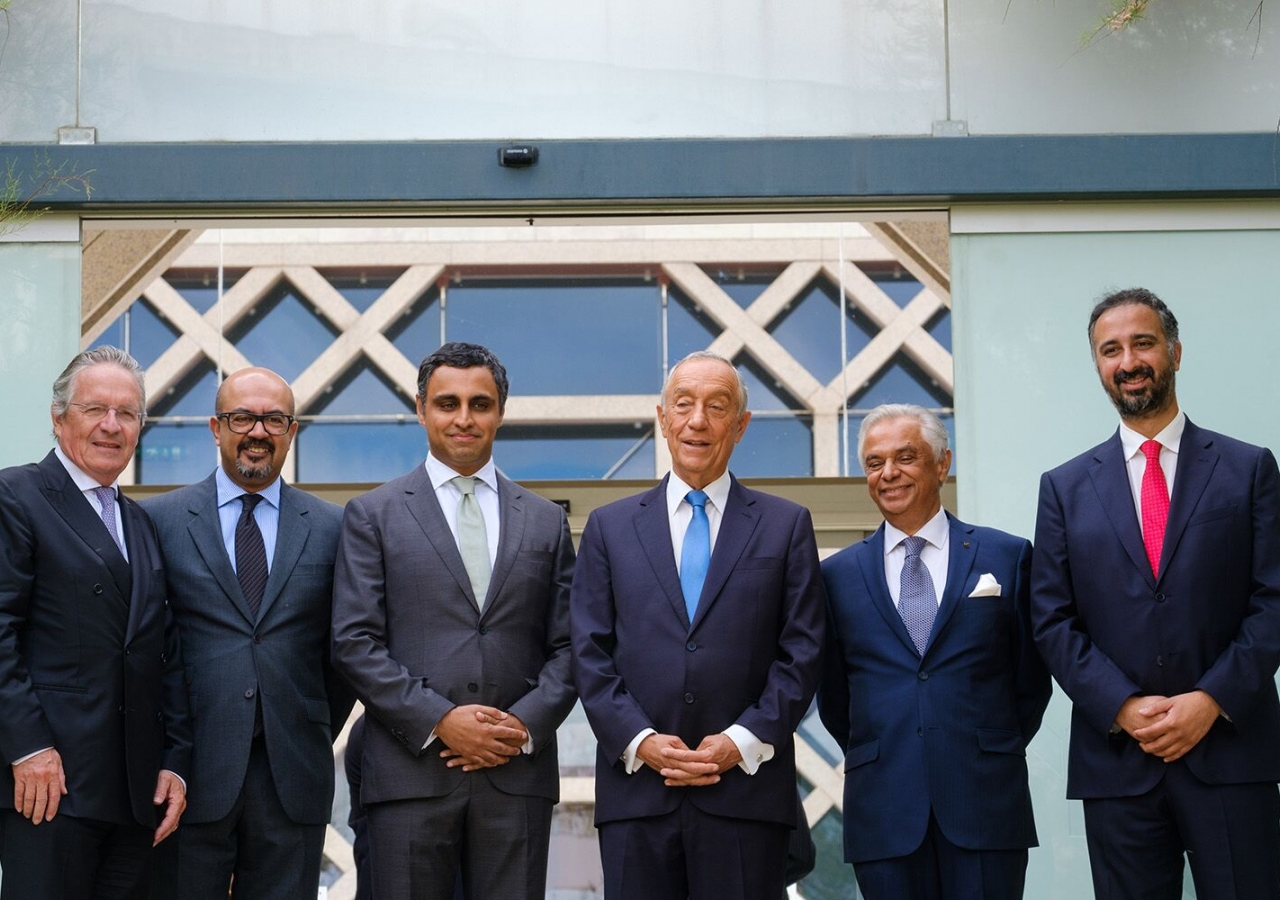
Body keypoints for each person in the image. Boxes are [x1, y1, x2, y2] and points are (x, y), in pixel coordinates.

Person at [1031, 287, 1280, 900]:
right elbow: (1051, 620)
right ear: (1098, 366)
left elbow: (1273, 599)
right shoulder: (1063, 488)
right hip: (1118, 762)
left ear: (1174, 351)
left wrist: (1209, 700)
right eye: (1109, 350)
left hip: (1231, 753)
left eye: (1142, 343)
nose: (1128, 361)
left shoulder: (1249, 470)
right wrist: (1120, 705)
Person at [571, 350, 826, 900]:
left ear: (741, 425)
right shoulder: (609, 528)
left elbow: (802, 652)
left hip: (746, 795)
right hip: (638, 791)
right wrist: (640, 740)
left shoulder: (786, 525)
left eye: (717, 407)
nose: (698, 421)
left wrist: (740, 740)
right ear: (662, 419)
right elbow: (588, 653)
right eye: (683, 405)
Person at [331, 341, 576, 900]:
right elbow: (354, 642)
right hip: (409, 777)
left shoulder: (544, 521)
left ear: (500, 412)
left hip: (516, 778)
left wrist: (522, 727)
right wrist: (441, 720)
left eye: (480, 403)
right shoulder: (372, 515)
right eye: (447, 403)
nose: (464, 418)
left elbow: (571, 646)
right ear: (421, 410)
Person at [818, 403, 1051, 899]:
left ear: (942, 464)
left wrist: (983, 746)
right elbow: (836, 698)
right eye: (875, 463)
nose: (889, 474)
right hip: (883, 812)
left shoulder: (1006, 557)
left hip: (986, 804)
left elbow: (1030, 681)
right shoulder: (835, 577)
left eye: (906, 457)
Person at [142, 367, 353, 900]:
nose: (258, 431)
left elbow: (343, 654)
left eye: (273, 419)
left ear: (292, 431)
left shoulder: (334, 528)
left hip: (294, 775)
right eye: (242, 418)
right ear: (216, 427)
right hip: (188, 774)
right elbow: (145, 648)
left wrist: (303, 722)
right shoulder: (157, 521)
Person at [0, 347, 192, 900]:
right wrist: (27, 748)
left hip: (136, 799)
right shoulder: (16, 496)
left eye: (127, 413)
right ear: (59, 418)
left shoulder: (140, 522)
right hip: (49, 789)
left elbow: (166, 652)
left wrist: (176, 764)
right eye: (95, 409)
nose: (112, 425)